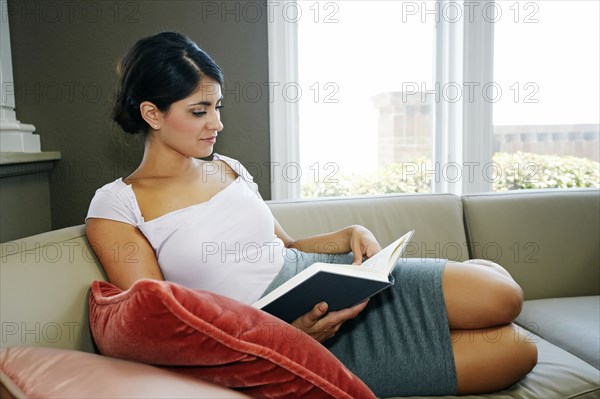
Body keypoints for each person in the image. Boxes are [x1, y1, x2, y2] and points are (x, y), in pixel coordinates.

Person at [85, 31, 537, 397]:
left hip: (323, 280)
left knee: (503, 297)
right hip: (287, 339)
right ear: (153, 113)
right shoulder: (117, 205)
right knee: (517, 352)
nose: (217, 124)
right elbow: (160, 326)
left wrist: (348, 233)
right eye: (199, 111)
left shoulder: (228, 169)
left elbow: (286, 249)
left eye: (218, 107)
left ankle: (480, 271)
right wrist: (284, 335)